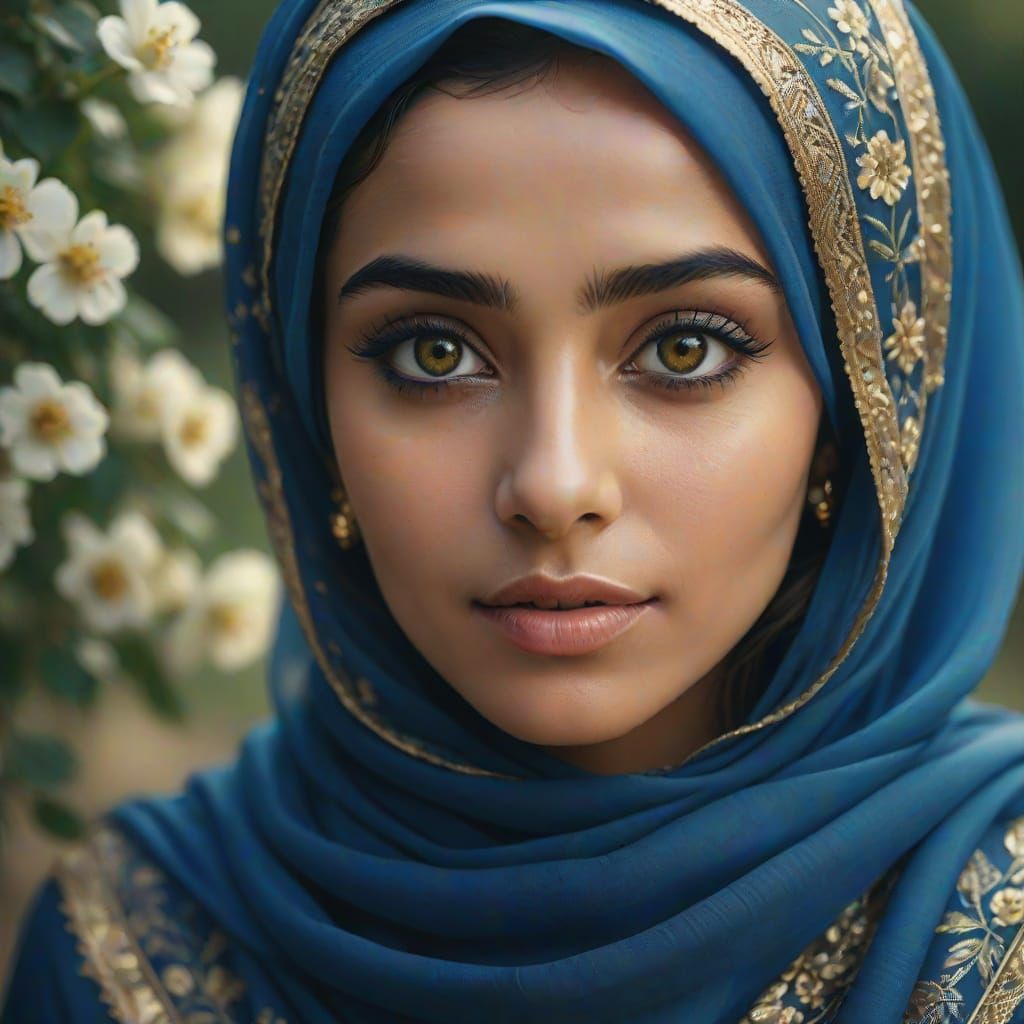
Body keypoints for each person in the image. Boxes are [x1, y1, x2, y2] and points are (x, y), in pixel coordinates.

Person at [3, 0, 1024, 1020]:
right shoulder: (135, 947)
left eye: (685, 348)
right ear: (303, 405)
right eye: (433, 353)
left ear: (862, 407)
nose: (554, 484)